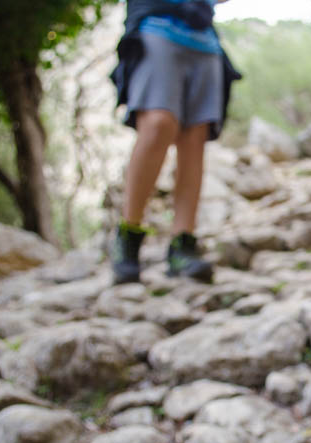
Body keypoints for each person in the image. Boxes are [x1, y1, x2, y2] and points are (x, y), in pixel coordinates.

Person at [109, 0, 239, 284]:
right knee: (158, 124)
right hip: (155, 27)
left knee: (195, 139)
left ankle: (183, 244)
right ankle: (128, 237)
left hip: (204, 39)